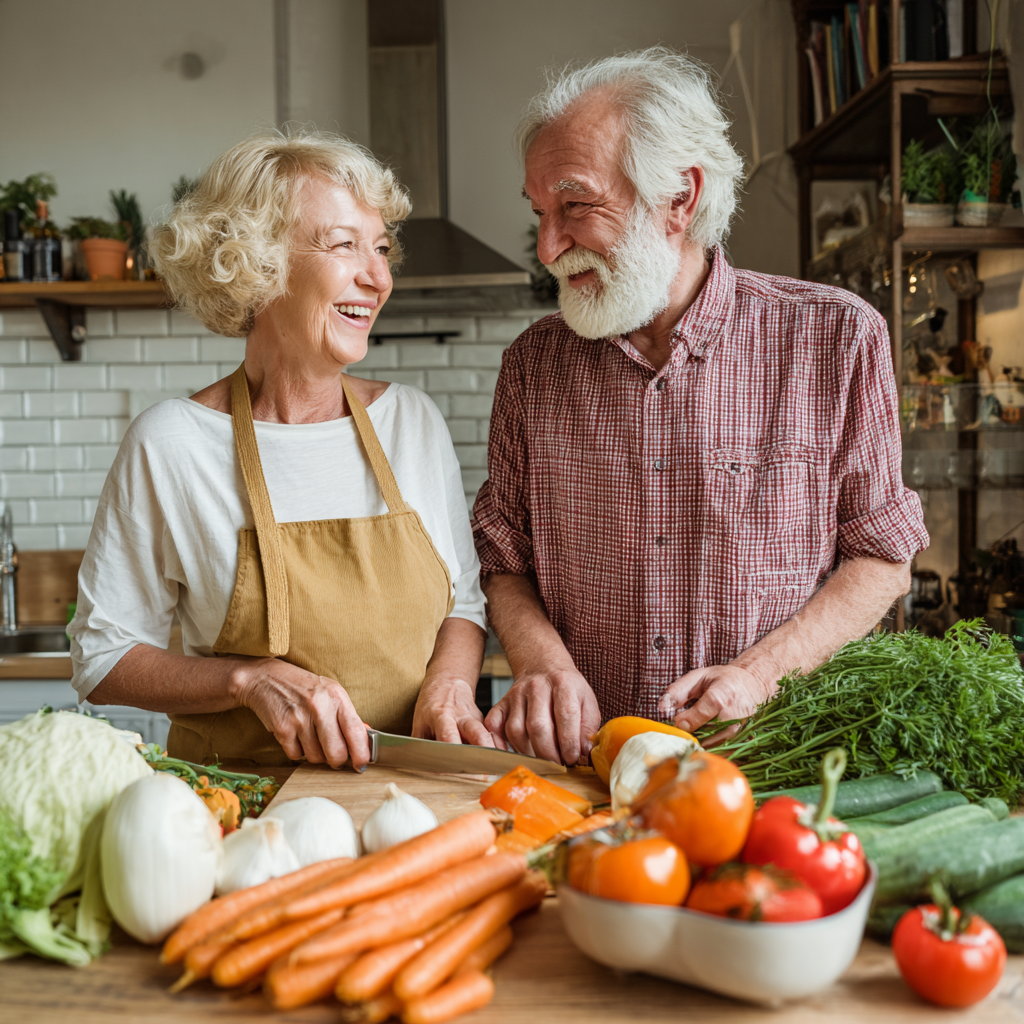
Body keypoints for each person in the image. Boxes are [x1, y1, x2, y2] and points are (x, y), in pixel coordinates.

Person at [473, 48, 929, 766]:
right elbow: (504, 556)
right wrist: (541, 662)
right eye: (539, 213)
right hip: (589, 774)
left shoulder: (835, 337)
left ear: (680, 199)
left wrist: (757, 676)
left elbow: (881, 556)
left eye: (575, 207)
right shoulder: (533, 366)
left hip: (781, 771)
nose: (549, 247)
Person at [70, 131, 493, 768]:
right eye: (343, 244)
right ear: (257, 263)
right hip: (241, 812)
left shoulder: (412, 422)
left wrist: (451, 683)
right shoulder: (172, 443)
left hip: (406, 797)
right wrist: (247, 680)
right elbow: (102, 658)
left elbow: (463, 602)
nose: (377, 277)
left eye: (380, 249)